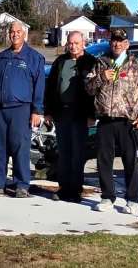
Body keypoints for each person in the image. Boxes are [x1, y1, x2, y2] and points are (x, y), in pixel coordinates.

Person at [85, 27, 138, 213]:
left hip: (127, 121)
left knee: (130, 161)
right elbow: (88, 88)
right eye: (114, 40)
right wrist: (101, 78)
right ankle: (107, 197)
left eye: (121, 41)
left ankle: (132, 200)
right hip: (106, 119)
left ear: (126, 44)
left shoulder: (137, 65)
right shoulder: (101, 63)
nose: (117, 44)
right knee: (104, 160)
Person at [0, 20, 46, 198]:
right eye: (12, 31)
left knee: (20, 147)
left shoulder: (34, 58)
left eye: (18, 31)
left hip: (21, 110)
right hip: (0, 110)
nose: (15, 34)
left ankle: (21, 184)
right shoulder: (1, 57)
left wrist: (36, 110)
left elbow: (39, 86)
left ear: (24, 34)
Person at [44, 31, 96, 202]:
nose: (73, 46)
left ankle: (76, 189)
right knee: (64, 152)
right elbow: (51, 86)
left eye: (76, 43)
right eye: (70, 43)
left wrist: (92, 115)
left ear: (83, 44)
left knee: (78, 153)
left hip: (80, 114)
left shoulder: (91, 62)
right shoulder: (60, 62)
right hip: (62, 113)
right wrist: (49, 111)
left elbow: (95, 92)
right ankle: (63, 187)